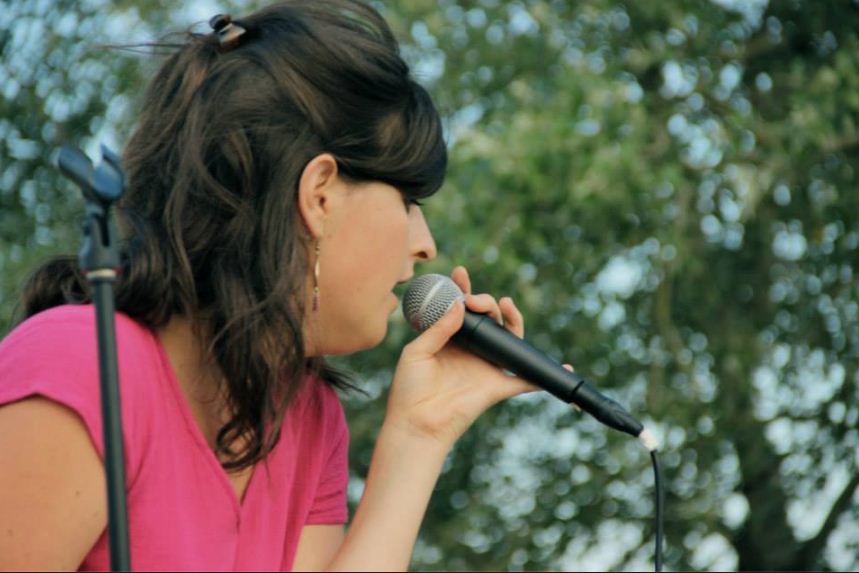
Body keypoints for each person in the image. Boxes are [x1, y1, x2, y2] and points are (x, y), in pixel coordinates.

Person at [0, 1, 572, 569]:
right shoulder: (83, 365)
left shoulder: (307, 416)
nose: (425, 246)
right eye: (407, 201)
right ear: (319, 194)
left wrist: (422, 431)